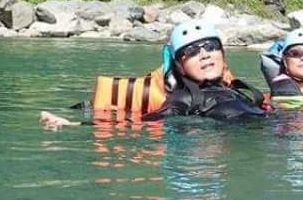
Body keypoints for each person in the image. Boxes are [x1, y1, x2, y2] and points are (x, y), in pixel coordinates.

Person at [40, 20, 268, 128]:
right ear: (179, 65)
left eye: (210, 47)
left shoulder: (235, 88)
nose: (205, 55)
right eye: (191, 52)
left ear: (222, 52)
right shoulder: (184, 97)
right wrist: (73, 124)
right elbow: (148, 120)